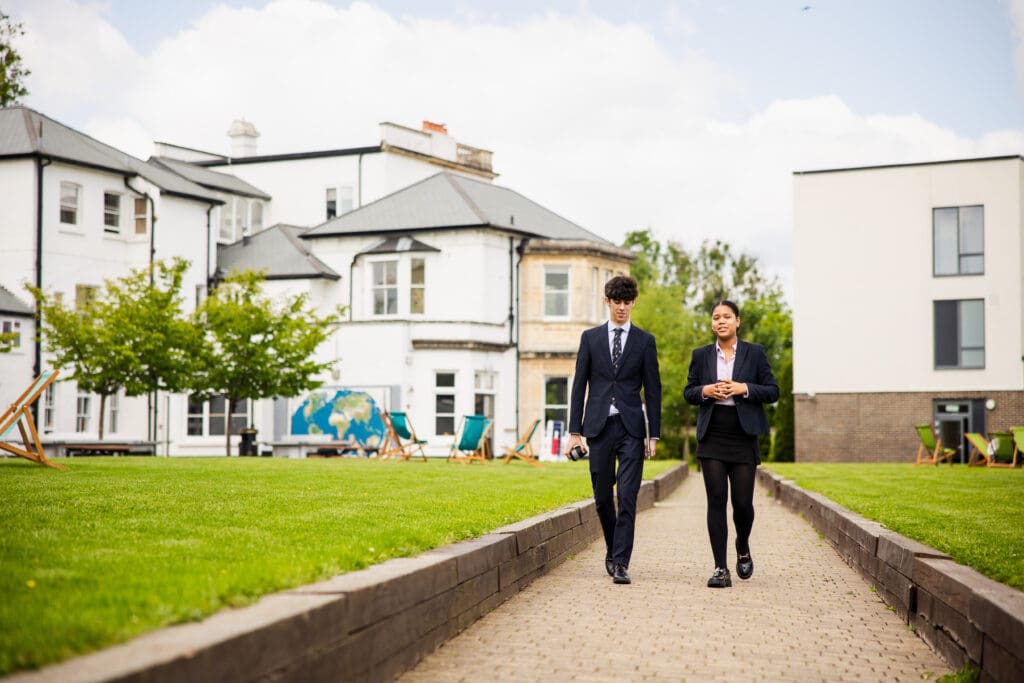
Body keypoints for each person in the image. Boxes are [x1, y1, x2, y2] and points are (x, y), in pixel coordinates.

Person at [566, 275, 661, 585]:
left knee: (629, 496)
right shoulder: (590, 338)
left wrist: (653, 434)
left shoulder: (645, 341)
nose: (622, 307)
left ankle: (621, 562)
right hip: (599, 427)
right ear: (607, 302)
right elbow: (579, 385)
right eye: (616, 302)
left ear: (633, 303)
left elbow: (654, 389)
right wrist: (574, 432)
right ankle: (612, 548)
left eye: (627, 302)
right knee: (603, 498)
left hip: (632, 428)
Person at [684, 299, 778, 588]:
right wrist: (706, 390)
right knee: (716, 501)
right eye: (716, 317)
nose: (720, 321)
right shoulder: (700, 355)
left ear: (737, 321)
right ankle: (720, 568)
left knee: (742, 504)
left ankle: (743, 545)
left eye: (726, 316)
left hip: (743, 435)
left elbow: (773, 391)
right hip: (712, 434)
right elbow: (689, 392)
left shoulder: (755, 352)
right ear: (711, 323)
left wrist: (743, 388)